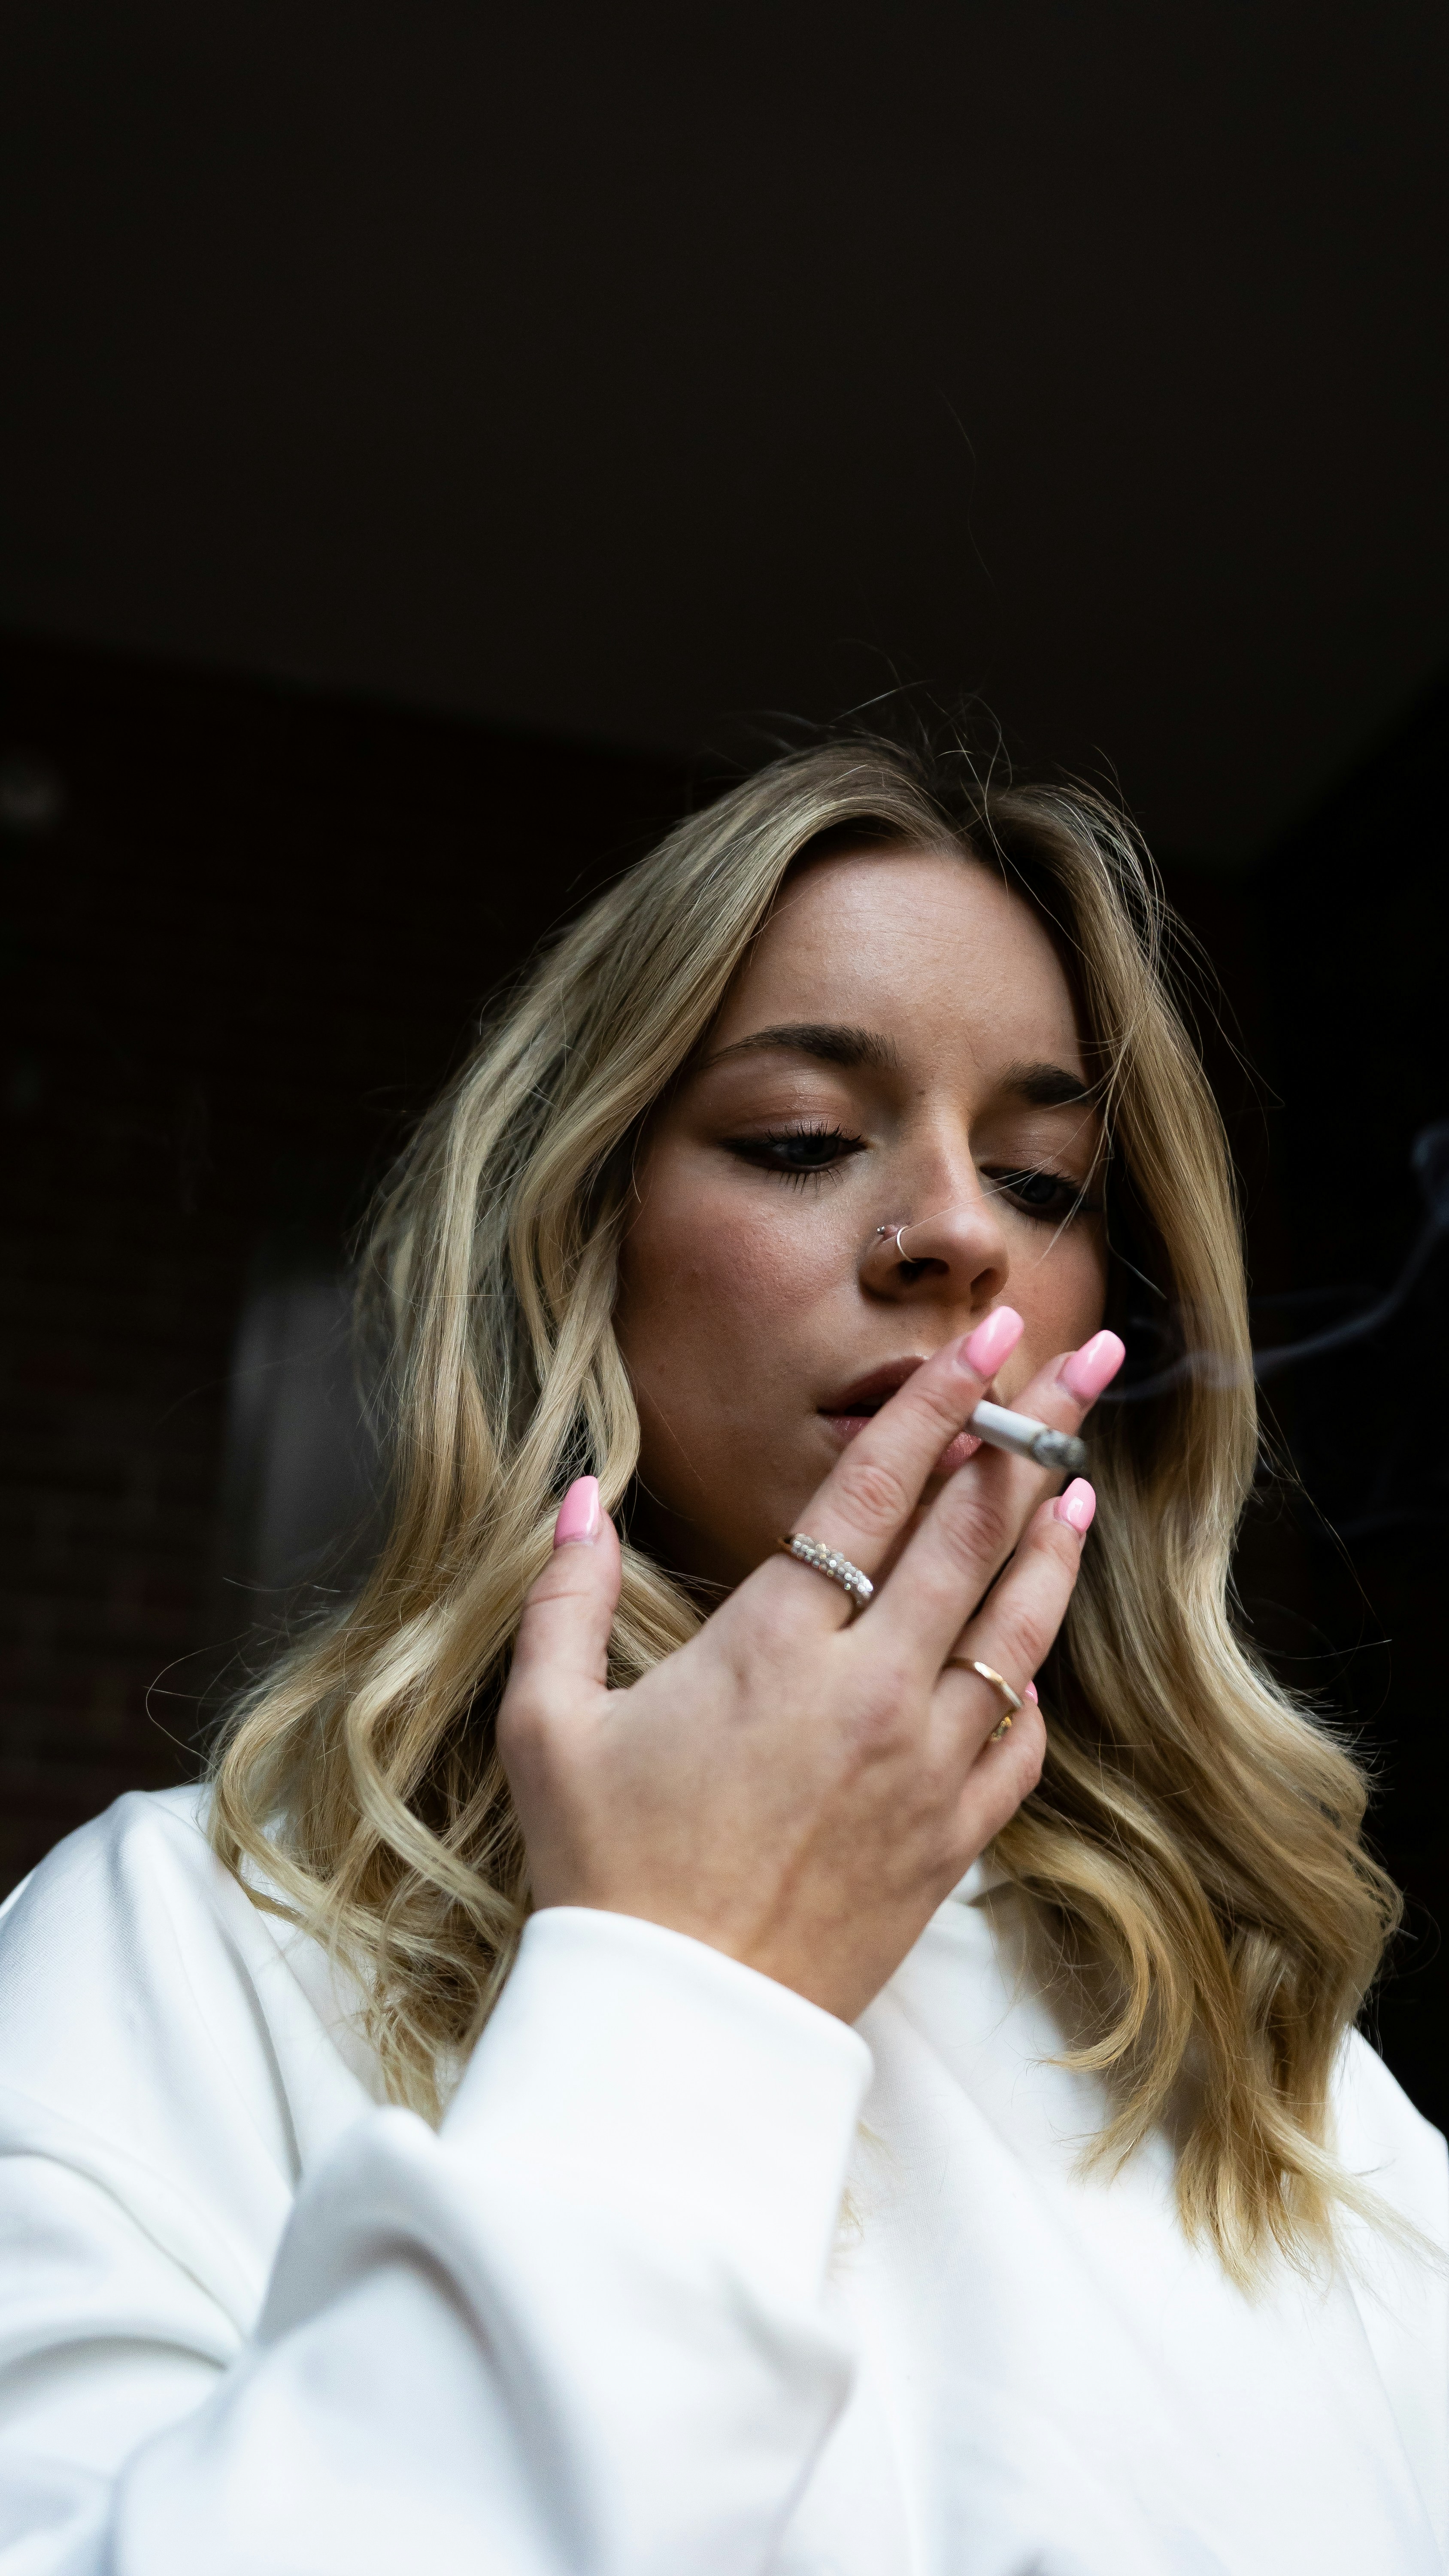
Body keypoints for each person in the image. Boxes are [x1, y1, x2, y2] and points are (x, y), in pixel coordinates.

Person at [0, 732, 1443, 2575]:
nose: (955, 1237)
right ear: (579, 1238)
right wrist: (681, 1983)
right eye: (801, 1142)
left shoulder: (1265, 2065)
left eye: (1043, 1176)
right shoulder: (184, 1940)